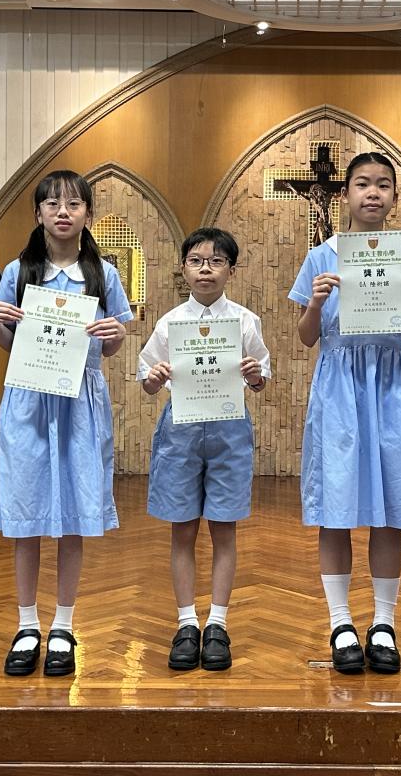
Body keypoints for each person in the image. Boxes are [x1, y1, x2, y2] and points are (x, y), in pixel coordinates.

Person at [289, 151, 401, 674]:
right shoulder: (320, 257)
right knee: (336, 506)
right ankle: (340, 623)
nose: (372, 193)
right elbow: (307, 337)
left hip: (390, 387)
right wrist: (315, 303)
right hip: (339, 387)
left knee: (390, 507)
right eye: (362, 184)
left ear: (394, 196)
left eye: (383, 184)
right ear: (346, 194)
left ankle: (384, 623)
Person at [0, 171, 132, 677]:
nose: (63, 212)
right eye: (52, 204)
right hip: (29, 401)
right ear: (38, 213)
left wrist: (114, 335)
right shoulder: (18, 270)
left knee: (73, 515)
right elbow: (9, 345)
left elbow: (110, 347)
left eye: (73, 203)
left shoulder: (104, 274)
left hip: (80, 405)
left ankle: (64, 625)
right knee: (26, 515)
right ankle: (27, 625)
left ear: (88, 213)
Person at [138, 228, 270, 672]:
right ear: (183, 268)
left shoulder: (245, 321)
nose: (206, 269)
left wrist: (254, 375)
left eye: (216, 261)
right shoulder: (170, 322)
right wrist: (154, 379)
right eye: (196, 261)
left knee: (224, 529)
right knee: (182, 529)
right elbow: (147, 379)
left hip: (229, 429)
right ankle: (185, 623)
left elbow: (260, 378)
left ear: (231, 269)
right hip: (181, 428)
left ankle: (217, 623)